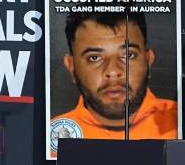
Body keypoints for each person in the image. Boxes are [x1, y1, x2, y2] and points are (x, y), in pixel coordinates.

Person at [50, 10, 177, 152]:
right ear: (71, 67)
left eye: (128, 55)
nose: (113, 72)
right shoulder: (52, 138)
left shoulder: (181, 122)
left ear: (148, 61)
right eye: (94, 58)